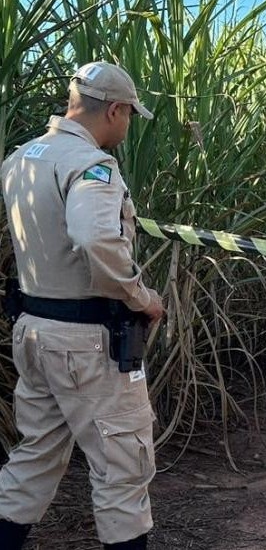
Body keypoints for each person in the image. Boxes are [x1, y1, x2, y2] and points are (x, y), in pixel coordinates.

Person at [0, 62, 164, 550]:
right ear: (114, 110)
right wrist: (142, 297)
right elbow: (95, 238)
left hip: (33, 330)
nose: (128, 125)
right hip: (89, 342)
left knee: (34, 458)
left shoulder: (20, 159)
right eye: (130, 115)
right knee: (123, 468)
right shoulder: (91, 165)